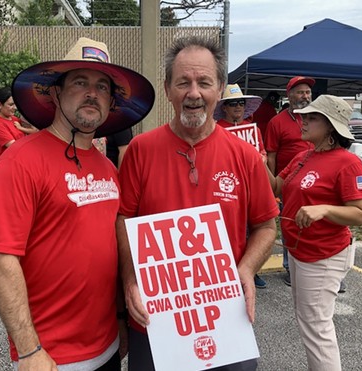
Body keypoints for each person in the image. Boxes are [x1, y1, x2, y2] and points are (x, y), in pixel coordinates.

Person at [0, 37, 155, 370]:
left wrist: (120, 317)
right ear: (55, 93)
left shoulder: (107, 168)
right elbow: (2, 259)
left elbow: (111, 251)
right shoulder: (19, 162)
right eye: (80, 82)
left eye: (103, 86)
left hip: (108, 345)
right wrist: (29, 351)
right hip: (51, 357)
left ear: (110, 102)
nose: (92, 92)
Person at [117, 36, 278, 371]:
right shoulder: (140, 151)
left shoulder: (246, 157)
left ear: (219, 89)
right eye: (183, 82)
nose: (193, 93)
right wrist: (130, 279)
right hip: (156, 319)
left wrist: (246, 268)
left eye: (204, 82)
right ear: (167, 89)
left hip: (226, 318)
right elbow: (124, 219)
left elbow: (265, 226)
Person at [265, 95, 362, 371]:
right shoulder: (303, 156)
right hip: (300, 249)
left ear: (331, 127)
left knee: (316, 326)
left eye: (311, 118)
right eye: (305, 116)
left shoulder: (348, 163)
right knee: (308, 320)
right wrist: (258, 159)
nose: (303, 120)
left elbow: (359, 214)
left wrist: (323, 209)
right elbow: (275, 187)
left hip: (324, 254)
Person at [214, 83, 269, 289]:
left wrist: (261, 159)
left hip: (251, 187)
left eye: (241, 103)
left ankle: (251, 270)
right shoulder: (217, 128)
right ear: (224, 108)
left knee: (255, 229)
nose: (238, 107)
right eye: (233, 103)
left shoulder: (252, 129)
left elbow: (262, 152)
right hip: (226, 188)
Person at [265, 76, 315, 286]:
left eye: (307, 92)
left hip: (315, 183)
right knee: (290, 225)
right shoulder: (277, 122)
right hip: (288, 183)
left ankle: (314, 266)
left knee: (313, 224)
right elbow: (271, 156)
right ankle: (289, 267)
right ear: (289, 95)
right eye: (300, 92)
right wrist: (273, 189)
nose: (305, 96)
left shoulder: (315, 118)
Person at [0, 86, 38, 159]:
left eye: (15, 104)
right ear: (0, 105)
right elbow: (14, 147)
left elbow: (34, 132)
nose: (15, 108)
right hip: (12, 164)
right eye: (11, 104)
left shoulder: (15, 119)